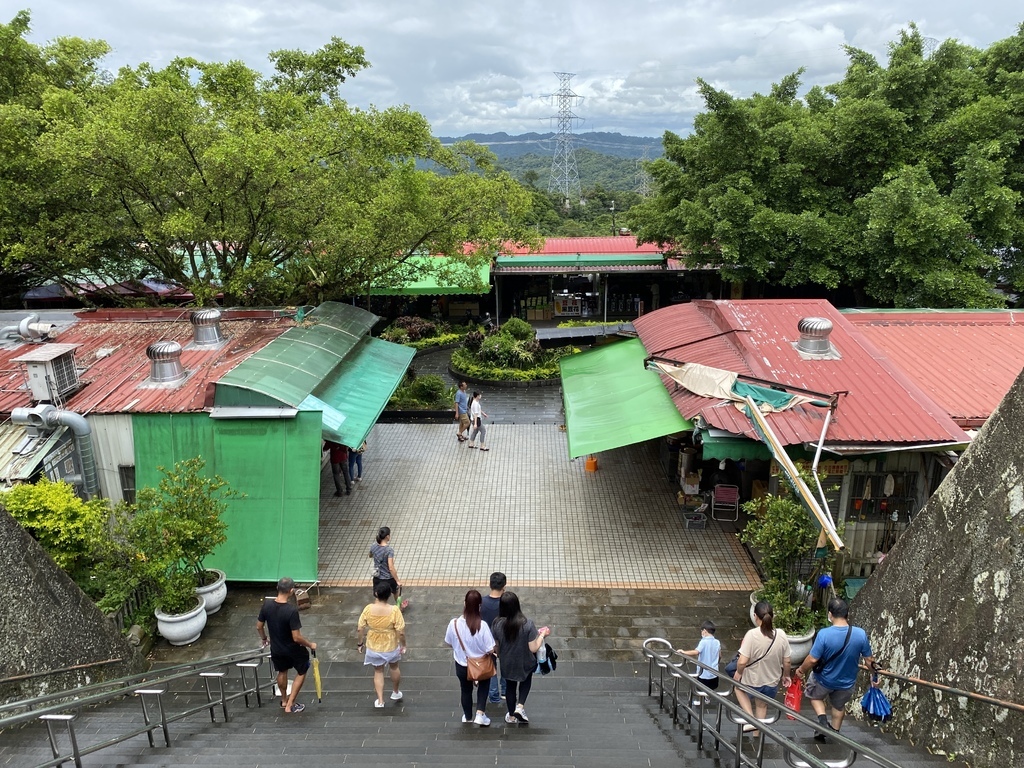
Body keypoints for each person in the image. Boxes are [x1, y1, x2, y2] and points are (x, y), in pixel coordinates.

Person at [795, 598, 875, 741]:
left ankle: (823, 722)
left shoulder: (824, 634)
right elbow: (869, 660)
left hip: (824, 680)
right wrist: (874, 677)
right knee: (839, 706)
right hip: (847, 682)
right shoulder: (860, 634)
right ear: (847, 614)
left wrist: (801, 670)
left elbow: (813, 659)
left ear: (830, 614)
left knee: (815, 696)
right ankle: (835, 732)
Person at [256, 577, 317, 714]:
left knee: (282, 671)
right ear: (291, 591)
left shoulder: (267, 605)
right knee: (302, 670)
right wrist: (310, 644)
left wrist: (264, 638)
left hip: (276, 648)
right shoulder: (291, 611)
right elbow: (296, 637)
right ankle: (291, 704)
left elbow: (259, 626)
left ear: (277, 588)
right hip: (292, 649)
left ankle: (284, 700)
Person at [491, 591, 550, 725]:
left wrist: (499, 654)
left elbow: (496, 646)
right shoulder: (527, 624)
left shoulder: (496, 624)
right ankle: (520, 706)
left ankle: (511, 716)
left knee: (510, 687)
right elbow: (533, 648)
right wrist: (542, 635)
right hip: (525, 661)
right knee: (525, 681)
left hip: (507, 662)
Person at [733, 601, 791, 730]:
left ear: (755, 616)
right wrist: (786, 676)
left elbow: (742, 661)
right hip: (771, 682)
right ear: (772, 616)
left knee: (738, 688)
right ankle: (757, 735)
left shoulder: (752, 635)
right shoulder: (781, 634)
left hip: (751, 681)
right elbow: (787, 661)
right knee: (762, 706)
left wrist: (738, 673)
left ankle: (750, 719)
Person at [444, 590, 497, 726]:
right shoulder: (483, 626)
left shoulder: (453, 624)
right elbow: (490, 648)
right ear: (479, 606)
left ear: (464, 604)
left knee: (465, 690)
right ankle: (480, 714)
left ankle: (467, 716)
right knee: (483, 687)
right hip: (482, 664)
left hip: (462, 664)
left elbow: (449, 642)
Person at [356, 582, 406, 708]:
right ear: (389, 595)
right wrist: (403, 645)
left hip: (374, 644)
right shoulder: (394, 610)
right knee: (394, 667)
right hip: (391, 644)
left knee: (378, 671)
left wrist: (360, 643)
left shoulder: (368, 609)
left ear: (376, 594)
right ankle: (395, 692)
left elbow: (360, 628)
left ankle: (380, 700)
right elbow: (401, 631)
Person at [481, 572, 507, 704]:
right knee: (505, 664)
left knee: (491, 668)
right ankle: (505, 691)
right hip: (504, 640)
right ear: (504, 586)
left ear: (489, 584)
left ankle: (494, 695)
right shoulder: (506, 603)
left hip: (487, 642)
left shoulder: (482, 602)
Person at [677, 620, 720, 698]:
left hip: (703, 673)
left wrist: (683, 652)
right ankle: (707, 698)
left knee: (701, 689)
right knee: (711, 688)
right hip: (714, 672)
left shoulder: (704, 642)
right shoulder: (717, 642)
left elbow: (696, 652)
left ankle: (701, 701)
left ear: (704, 631)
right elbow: (720, 655)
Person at [370, 526, 409, 610]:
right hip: (388, 578)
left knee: (378, 594)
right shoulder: (389, 550)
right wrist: (397, 580)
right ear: (387, 536)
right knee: (395, 592)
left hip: (377, 577)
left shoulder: (373, 545)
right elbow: (391, 567)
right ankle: (400, 607)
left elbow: (370, 555)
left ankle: (377, 609)